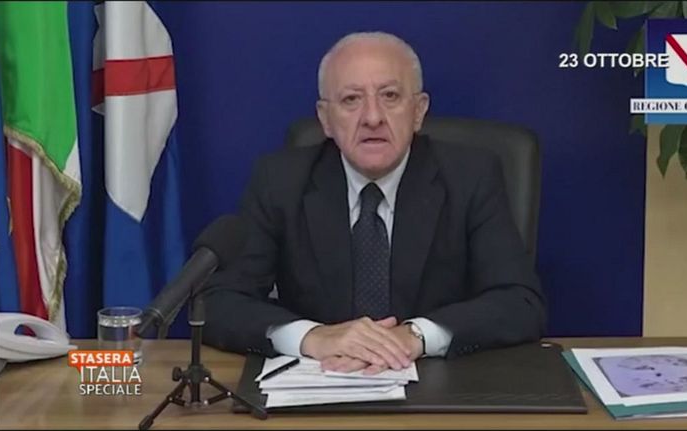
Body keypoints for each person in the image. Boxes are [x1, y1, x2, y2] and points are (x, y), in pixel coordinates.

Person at [203, 31, 546, 375]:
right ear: (325, 119)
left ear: (418, 111)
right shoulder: (279, 181)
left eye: (390, 96)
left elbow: (520, 302)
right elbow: (220, 302)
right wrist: (313, 337)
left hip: (439, 386)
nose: (372, 117)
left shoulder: (470, 177)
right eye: (351, 99)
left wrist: (415, 336)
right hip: (320, 384)